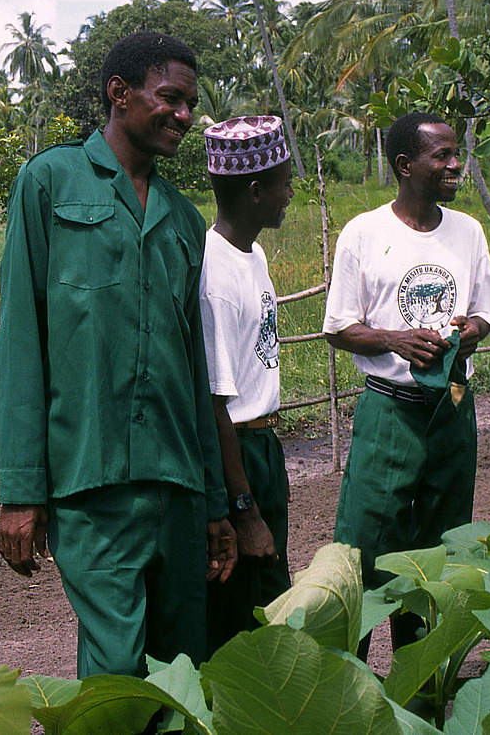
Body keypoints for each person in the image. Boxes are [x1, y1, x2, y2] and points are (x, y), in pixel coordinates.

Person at [0, 31, 237, 677]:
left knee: (181, 669)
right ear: (119, 94)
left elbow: (195, 371)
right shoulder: (49, 183)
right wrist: (21, 492)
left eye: (190, 103)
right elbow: (21, 342)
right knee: (116, 670)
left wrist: (215, 504)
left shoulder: (184, 220)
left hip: (179, 490)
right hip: (90, 486)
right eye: (171, 99)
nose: (185, 115)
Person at [323, 112, 490, 648]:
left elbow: (487, 310)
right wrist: (395, 340)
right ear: (404, 165)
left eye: (456, 155)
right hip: (389, 412)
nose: (455, 165)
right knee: (364, 543)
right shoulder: (364, 232)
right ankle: (345, 678)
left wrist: (472, 330)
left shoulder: (467, 231)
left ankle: (419, 688)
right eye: (441, 156)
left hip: (451, 408)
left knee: (440, 547)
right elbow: (339, 329)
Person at [199, 115, 295, 653]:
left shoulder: (252, 255)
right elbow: (217, 407)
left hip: (262, 445)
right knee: (243, 614)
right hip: (237, 453)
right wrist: (245, 511)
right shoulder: (216, 275)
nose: (289, 194)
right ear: (256, 190)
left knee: (269, 596)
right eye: (283, 182)